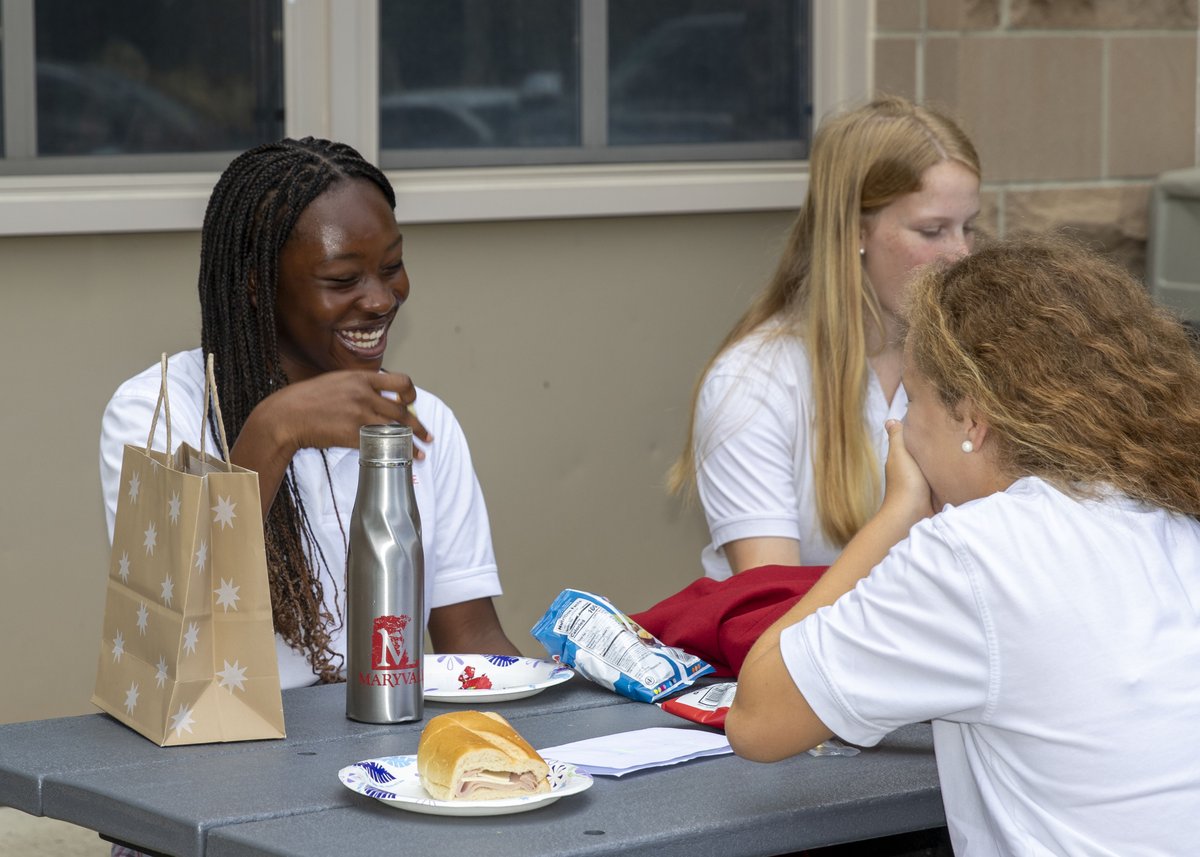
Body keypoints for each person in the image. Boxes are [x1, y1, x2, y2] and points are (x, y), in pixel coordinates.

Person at [725, 235, 1200, 855]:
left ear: (973, 420)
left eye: (914, 401)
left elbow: (758, 720)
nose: (900, 428)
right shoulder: (1171, 513)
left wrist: (896, 516)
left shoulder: (979, 551)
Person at [100, 137, 521, 693]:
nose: (380, 299)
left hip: (379, 750)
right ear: (258, 286)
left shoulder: (418, 419)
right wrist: (276, 430)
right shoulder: (157, 409)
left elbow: (472, 640)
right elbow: (170, 615)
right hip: (213, 758)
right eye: (343, 280)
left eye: (392, 266)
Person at [669, 95, 981, 579]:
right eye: (933, 230)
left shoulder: (977, 365)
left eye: (969, 227)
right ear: (854, 232)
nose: (961, 255)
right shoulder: (752, 383)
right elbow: (768, 613)